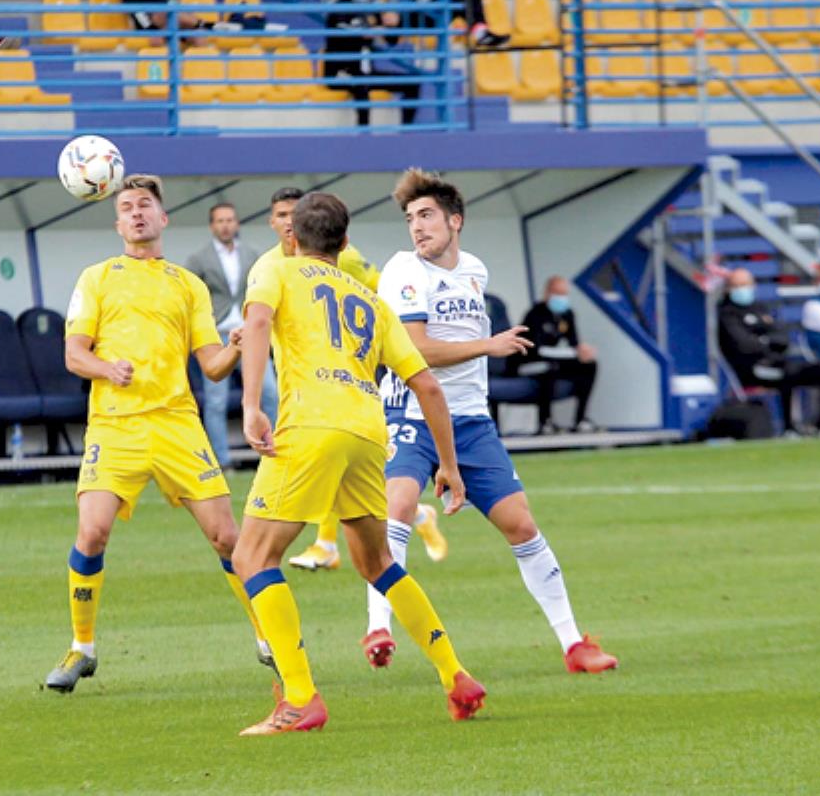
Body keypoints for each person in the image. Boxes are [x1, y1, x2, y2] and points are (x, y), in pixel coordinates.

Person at [232, 191, 486, 735]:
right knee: (377, 563)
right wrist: (449, 466)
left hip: (310, 424)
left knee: (251, 557)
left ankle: (300, 698)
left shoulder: (276, 270)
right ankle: (455, 675)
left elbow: (257, 323)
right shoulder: (370, 300)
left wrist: (251, 406)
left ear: (292, 237)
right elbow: (427, 386)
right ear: (345, 243)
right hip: (369, 433)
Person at [363, 168, 618, 675]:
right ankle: (378, 627)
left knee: (521, 524)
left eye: (427, 215)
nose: (417, 227)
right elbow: (416, 350)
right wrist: (488, 345)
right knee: (400, 504)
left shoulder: (474, 270)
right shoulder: (403, 270)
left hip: (470, 420)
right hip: (410, 410)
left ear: (455, 221)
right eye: (411, 218)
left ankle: (574, 645)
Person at [43, 175, 271, 693]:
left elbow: (211, 366)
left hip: (176, 425)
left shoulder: (187, 284)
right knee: (92, 533)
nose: (137, 213)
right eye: (127, 207)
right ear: (118, 223)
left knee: (227, 537)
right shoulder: (97, 278)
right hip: (115, 426)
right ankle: (82, 648)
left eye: (145, 204)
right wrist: (107, 369)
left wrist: (235, 347)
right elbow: (74, 354)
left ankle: (267, 637)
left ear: (162, 218)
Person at [257, 187, 446, 572]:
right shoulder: (268, 267)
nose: (288, 222)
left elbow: (380, 289)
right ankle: (415, 516)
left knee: (254, 557)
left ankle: (326, 543)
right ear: (274, 222)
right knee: (377, 558)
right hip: (309, 390)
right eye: (282, 215)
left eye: (293, 214)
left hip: (340, 384)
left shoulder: (337, 262)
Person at [182, 202, 278, 469]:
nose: (225, 225)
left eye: (230, 220)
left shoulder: (252, 254)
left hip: (250, 335)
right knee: (216, 402)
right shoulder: (199, 259)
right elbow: (187, 295)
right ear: (212, 225)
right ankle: (222, 461)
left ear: (237, 223)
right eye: (220, 221)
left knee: (270, 394)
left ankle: (275, 452)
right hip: (218, 335)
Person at [719, 267, 820, 437]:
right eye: (737, 285)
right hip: (752, 369)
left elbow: (782, 339)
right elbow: (744, 345)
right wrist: (767, 341)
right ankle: (789, 428)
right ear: (728, 288)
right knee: (787, 374)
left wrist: (763, 341)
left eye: (745, 284)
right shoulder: (727, 313)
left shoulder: (761, 308)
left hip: (777, 361)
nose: (742, 289)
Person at [323, 0, 423, 127]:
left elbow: (391, 40)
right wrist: (367, 32)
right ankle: (364, 132)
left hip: (367, 72)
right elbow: (344, 35)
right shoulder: (341, 7)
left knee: (411, 83)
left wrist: (394, 24)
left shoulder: (373, 7)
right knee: (360, 86)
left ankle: (407, 130)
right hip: (340, 72)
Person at [519, 276, 600, 435]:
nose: (561, 298)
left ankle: (581, 420)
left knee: (589, 365)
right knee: (550, 367)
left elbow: (573, 343)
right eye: (558, 293)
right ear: (547, 293)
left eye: (564, 294)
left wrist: (582, 351)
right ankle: (546, 422)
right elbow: (537, 348)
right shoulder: (535, 313)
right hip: (530, 361)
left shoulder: (567, 314)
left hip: (555, 360)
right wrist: (572, 353)